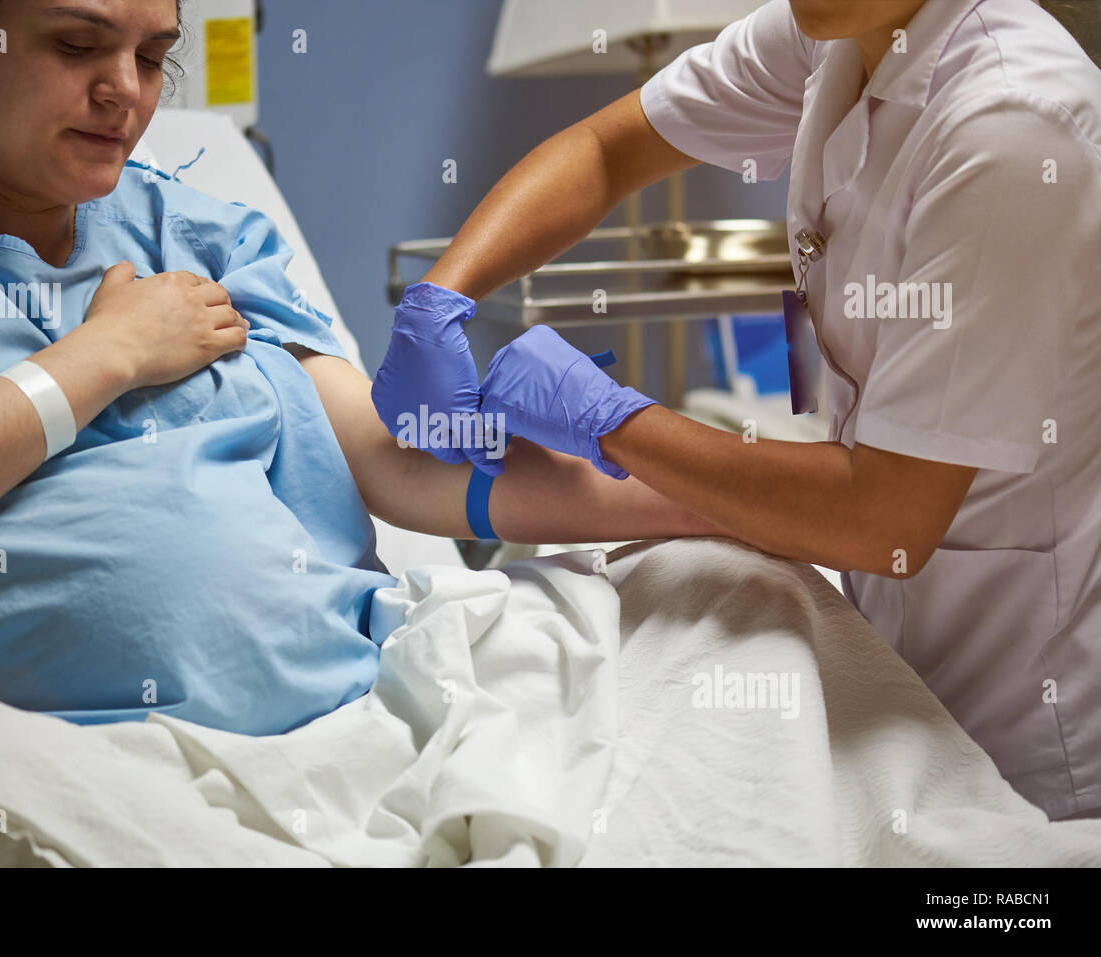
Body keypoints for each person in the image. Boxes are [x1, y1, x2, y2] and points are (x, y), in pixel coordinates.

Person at [0, 0, 729, 866]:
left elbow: (397, 464)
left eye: (155, 56)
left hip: (356, 710)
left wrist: (711, 494)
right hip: (64, 762)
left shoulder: (200, 233)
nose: (124, 88)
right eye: (77, 46)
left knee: (747, 595)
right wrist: (106, 356)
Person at [371, 0, 1101, 821]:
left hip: (1030, 727)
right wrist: (442, 293)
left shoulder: (1012, 127)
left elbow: (884, 519)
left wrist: (610, 419)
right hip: (888, 677)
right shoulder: (829, 33)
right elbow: (604, 151)